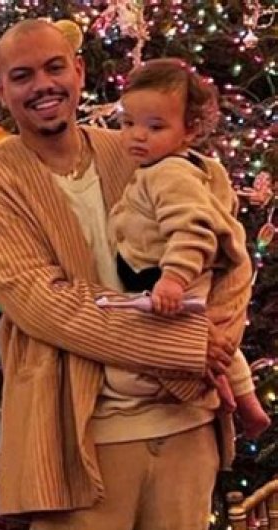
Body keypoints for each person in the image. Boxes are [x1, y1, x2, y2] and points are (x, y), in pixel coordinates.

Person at [0, 19, 249, 530]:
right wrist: (186, 346)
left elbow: (227, 251)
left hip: (186, 430)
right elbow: (44, 303)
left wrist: (220, 336)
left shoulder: (141, 147)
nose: (43, 85)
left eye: (55, 67)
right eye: (22, 75)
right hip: (80, 443)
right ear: (0, 90)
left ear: (79, 71)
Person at [109, 58, 269, 438]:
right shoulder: (159, 168)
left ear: (190, 130)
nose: (137, 136)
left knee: (192, 340)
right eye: (128, 123)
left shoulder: (170, 172)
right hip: (162, 275)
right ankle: (243, 401)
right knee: (211, 338)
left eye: (155, 127)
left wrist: (174, 278)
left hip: (175, 278)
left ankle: (236, 400)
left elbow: (193, 229)